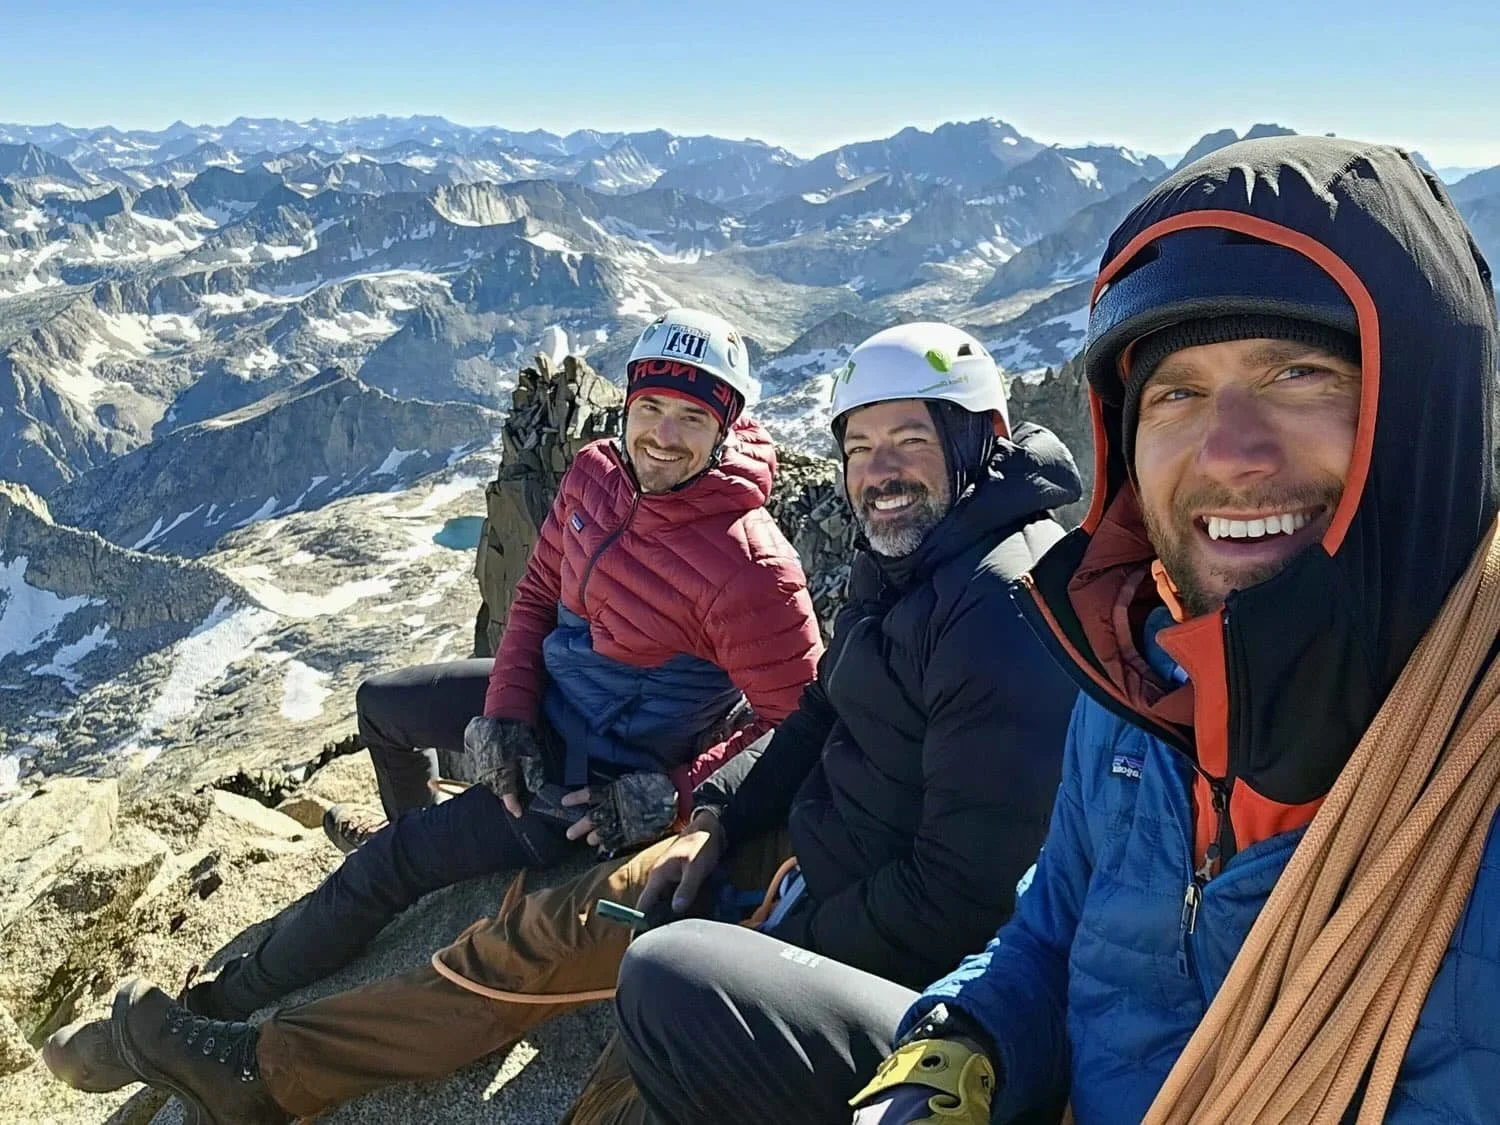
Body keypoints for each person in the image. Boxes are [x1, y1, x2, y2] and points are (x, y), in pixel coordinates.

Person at [613, 135, 1500, 1125]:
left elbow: (954, 887)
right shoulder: (1135, 678)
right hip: (1047, 1065)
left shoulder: (1469, 760)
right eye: (1177, 392)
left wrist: (792, 923)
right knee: (669, 986)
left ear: (1422, 406)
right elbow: (1046, 927)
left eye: (1299, 373)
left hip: (861, 918)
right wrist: (958, 1051)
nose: (1232, 452)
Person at [43, 321, 1082, 1125]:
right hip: (776, 848)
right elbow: (810, 717)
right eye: (864, 445)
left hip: (821, 914)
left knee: (637, 1053)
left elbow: (964, 893)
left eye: (911, 439)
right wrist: (716, 819)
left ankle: (249, 1040)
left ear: (975, 442)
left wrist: (760, 914)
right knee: (535, 934)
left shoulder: (998, 615)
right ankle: (258, 1071)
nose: (882, 468)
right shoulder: (911, 562)